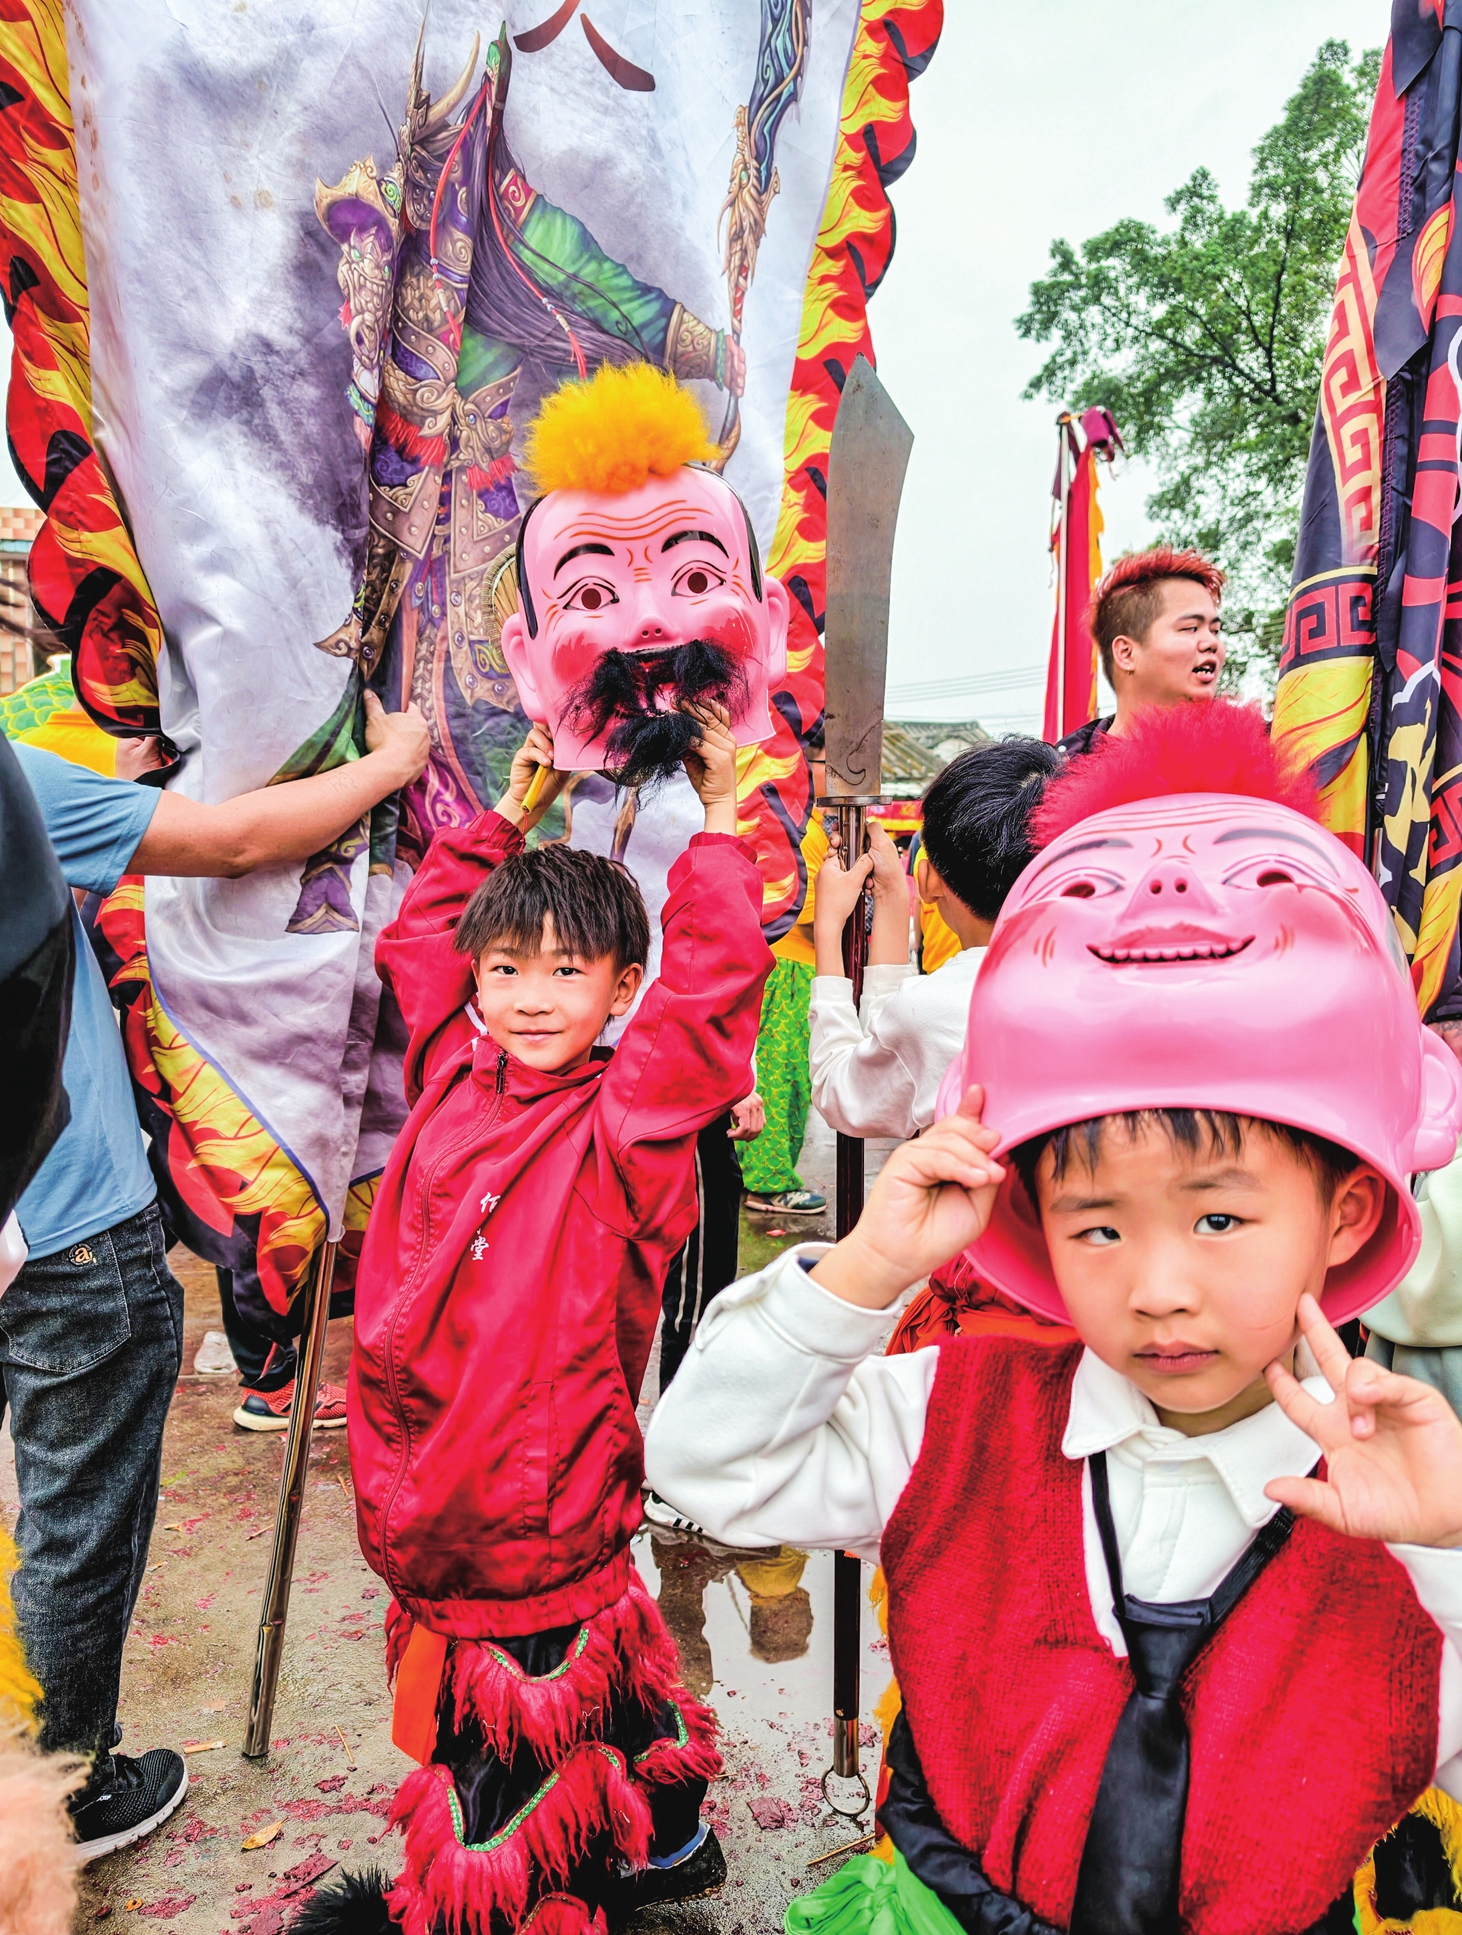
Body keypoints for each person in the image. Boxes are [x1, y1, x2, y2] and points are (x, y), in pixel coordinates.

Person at [647, 701, 1462, 1934]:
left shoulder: (1408, 1500)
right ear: (1024, 1214)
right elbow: (708, 1461)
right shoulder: (950, 1420)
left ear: (1347, 1214)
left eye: (1220, 1220)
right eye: (1096, 1225)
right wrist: (866, 1270)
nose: (1156, 1288)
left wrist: (1449, 1552)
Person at [319, 706, 771, 1935]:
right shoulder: (455, 1073)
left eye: (568, 972)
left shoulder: (625, 1126)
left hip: (529, 1507)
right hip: (432, 1489)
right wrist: (510, 811)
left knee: (506, 1761)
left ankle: (510, 1906)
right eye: (506, 968)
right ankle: (670, 1838)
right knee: (610, 1669)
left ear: (624, 986)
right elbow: (422, 936)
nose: (528, 996)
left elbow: (716, 986)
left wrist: (723, 824)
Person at [3, 692, 430, 1861]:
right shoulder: (14, 779)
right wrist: (392, 761)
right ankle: (63, 1791)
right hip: (64, 1220)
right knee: (75, 1523)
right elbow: (237, 841)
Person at [809, 738, 1060, 1141]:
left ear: (928, 881)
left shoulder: (935, 1009)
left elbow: (841, 1091)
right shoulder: (1117, 980)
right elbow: (891, 1037)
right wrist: (892, 896)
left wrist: (828, 930)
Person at [739, 729, 830, 1220]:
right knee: (782, 1082)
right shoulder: (803, 829)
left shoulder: (763, 812)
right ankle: (769, 1182)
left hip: (770, 967)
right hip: (788, 969)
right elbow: (812, 921)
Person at [1059, 546, 1225, 756]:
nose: (1212, 643)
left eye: (1215, 631)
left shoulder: (1263, 750)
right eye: (1190, 628)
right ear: (1126, 653)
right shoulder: (1056, 775)